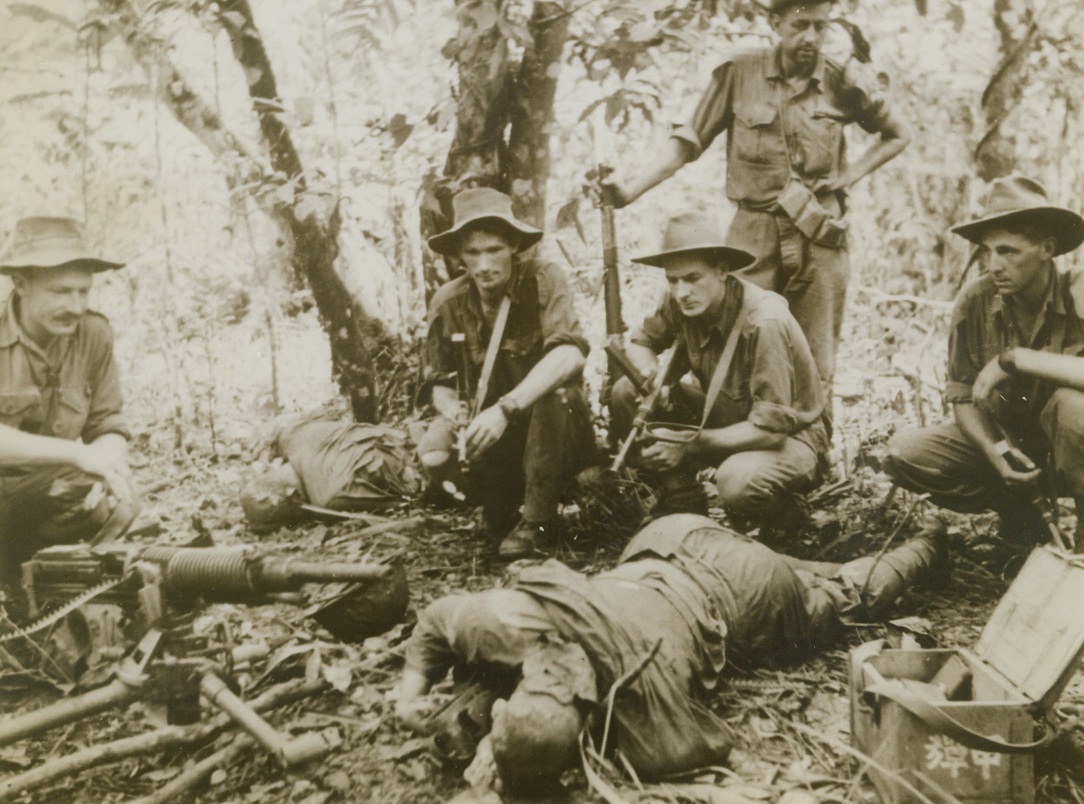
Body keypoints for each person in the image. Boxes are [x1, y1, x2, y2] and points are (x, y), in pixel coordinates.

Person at [395, 512, 946, 797]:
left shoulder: (646, 728)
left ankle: (930, 544)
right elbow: (441, 618)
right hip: (667, 536)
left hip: (747, 597)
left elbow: (710, 745)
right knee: (795, 572)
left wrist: (525, 748)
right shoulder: (520, 618)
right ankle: (817, 560)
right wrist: (412, 693)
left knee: (845, 598)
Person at [600, 0, 911, 399]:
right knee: (734, 340)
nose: (811, 38)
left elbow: (898, 133)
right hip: (753, 233)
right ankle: (733, 439)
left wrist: (849, 177)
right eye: (801, 26)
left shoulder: (841, 80)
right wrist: (628, 191)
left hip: (819, 236)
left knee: (815, 362)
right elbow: (687, 142)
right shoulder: (740, 73)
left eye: (820, 27)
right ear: (775, 22)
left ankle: (811, 452)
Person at [884, 176, 1084, 550]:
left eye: (1009, 251)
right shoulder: (975, 301)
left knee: (1074, 412)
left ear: (1047, 248)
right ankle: (1024, 520)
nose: (994, 265)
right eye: (987, 252)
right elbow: (962, 395)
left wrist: (1015, 360)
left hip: (1069, 448)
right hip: (1012, 443)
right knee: (905, 454)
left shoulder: (1080, 292)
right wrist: (998, 455)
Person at [611, 211, 827, 533]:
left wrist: (686, 444)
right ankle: (684, 502)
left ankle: (788, 516)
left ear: (722, 271)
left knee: (736, 482)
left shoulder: (764, 322)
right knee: (626, 392)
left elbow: (771, 430)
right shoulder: (683, 302)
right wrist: (650, 375)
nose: (681, 291)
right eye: (673, 280)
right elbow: (641, 343)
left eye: (692, 278)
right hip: (728, 417)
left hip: (789, 439)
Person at [417, 188, 595, 559]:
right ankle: (499, 503)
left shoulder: (544, 279)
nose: (483, 265)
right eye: (472, 253)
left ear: (514, 245)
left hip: (554, 427)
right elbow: (439, 385)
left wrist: (506, 409)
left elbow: (569, 355)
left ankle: (537, 521)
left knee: (555, 394)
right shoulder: (448, 301)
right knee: (433, 450)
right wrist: (456, 411)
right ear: (459, 256)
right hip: (496, 437)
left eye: (494, 249)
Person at [0, 216, 139, 581]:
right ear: (20, 284)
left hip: (40, 493)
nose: (76, 307)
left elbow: (108, 422)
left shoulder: (93, 333)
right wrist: (79, 455)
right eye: (61, 292)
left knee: (115, 503)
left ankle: (50, 589)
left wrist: (106, 466)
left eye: (83, 292)